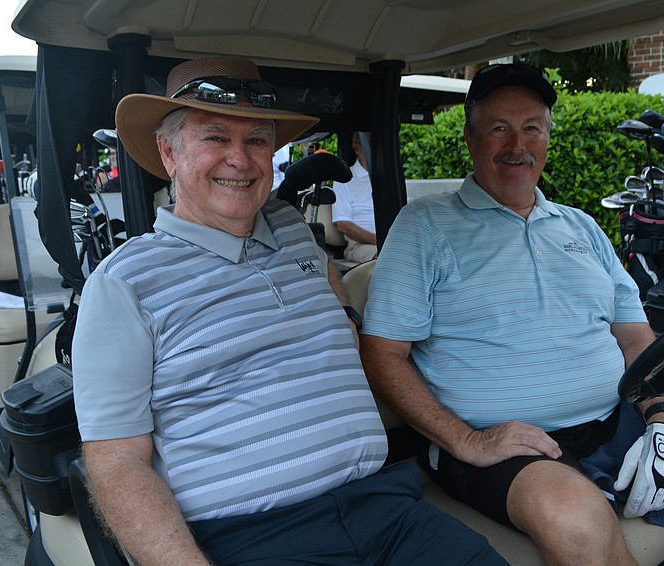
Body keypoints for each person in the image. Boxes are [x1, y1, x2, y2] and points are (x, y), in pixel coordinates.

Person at [71, 55, 506, 566]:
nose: (240, 159)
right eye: (215, 137)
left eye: (257, 140)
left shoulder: (288, 228)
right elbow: (117, 462)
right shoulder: (124, 283)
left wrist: (343, 315)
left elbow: (322, 269)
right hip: (254, 538)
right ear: (168, 152)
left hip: (385, 511)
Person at [360, 62, 664, 565]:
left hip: (618, 416)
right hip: (503, 444)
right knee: (579, 525)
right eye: (498, 128)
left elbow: (635, 334)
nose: (516, 145)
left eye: (531, 128)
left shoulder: (581, 227)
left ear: (548, 136)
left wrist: (661, 409)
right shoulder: (425, 225)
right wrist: (467, 440)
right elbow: (382, 353)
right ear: (470, 136)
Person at [332, 132, 377, 262]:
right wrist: (379, 241)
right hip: (360, 246)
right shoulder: (344, 179)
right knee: (390, 257)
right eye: (370, 143)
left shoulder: (388, 178)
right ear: (356, 148)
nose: (375, 147)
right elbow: (343, 224)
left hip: (391, 243)